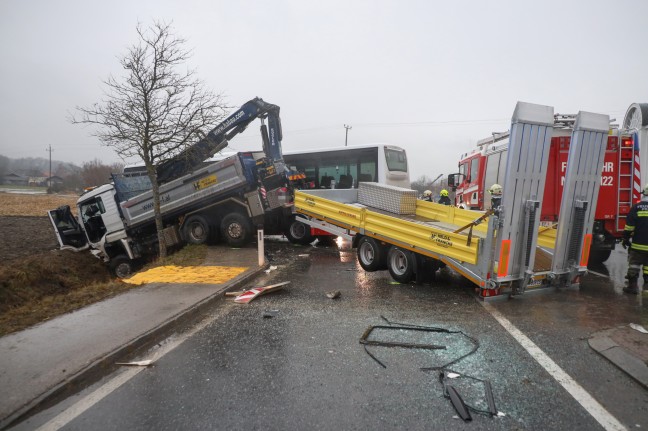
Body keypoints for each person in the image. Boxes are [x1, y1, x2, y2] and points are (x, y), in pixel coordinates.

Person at [622, 183, 648, 294]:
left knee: (634, 264)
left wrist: (625, 239)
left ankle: (632, 287)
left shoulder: (636, 207)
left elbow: (629, 227)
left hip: (638, 246)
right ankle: (647, 286)